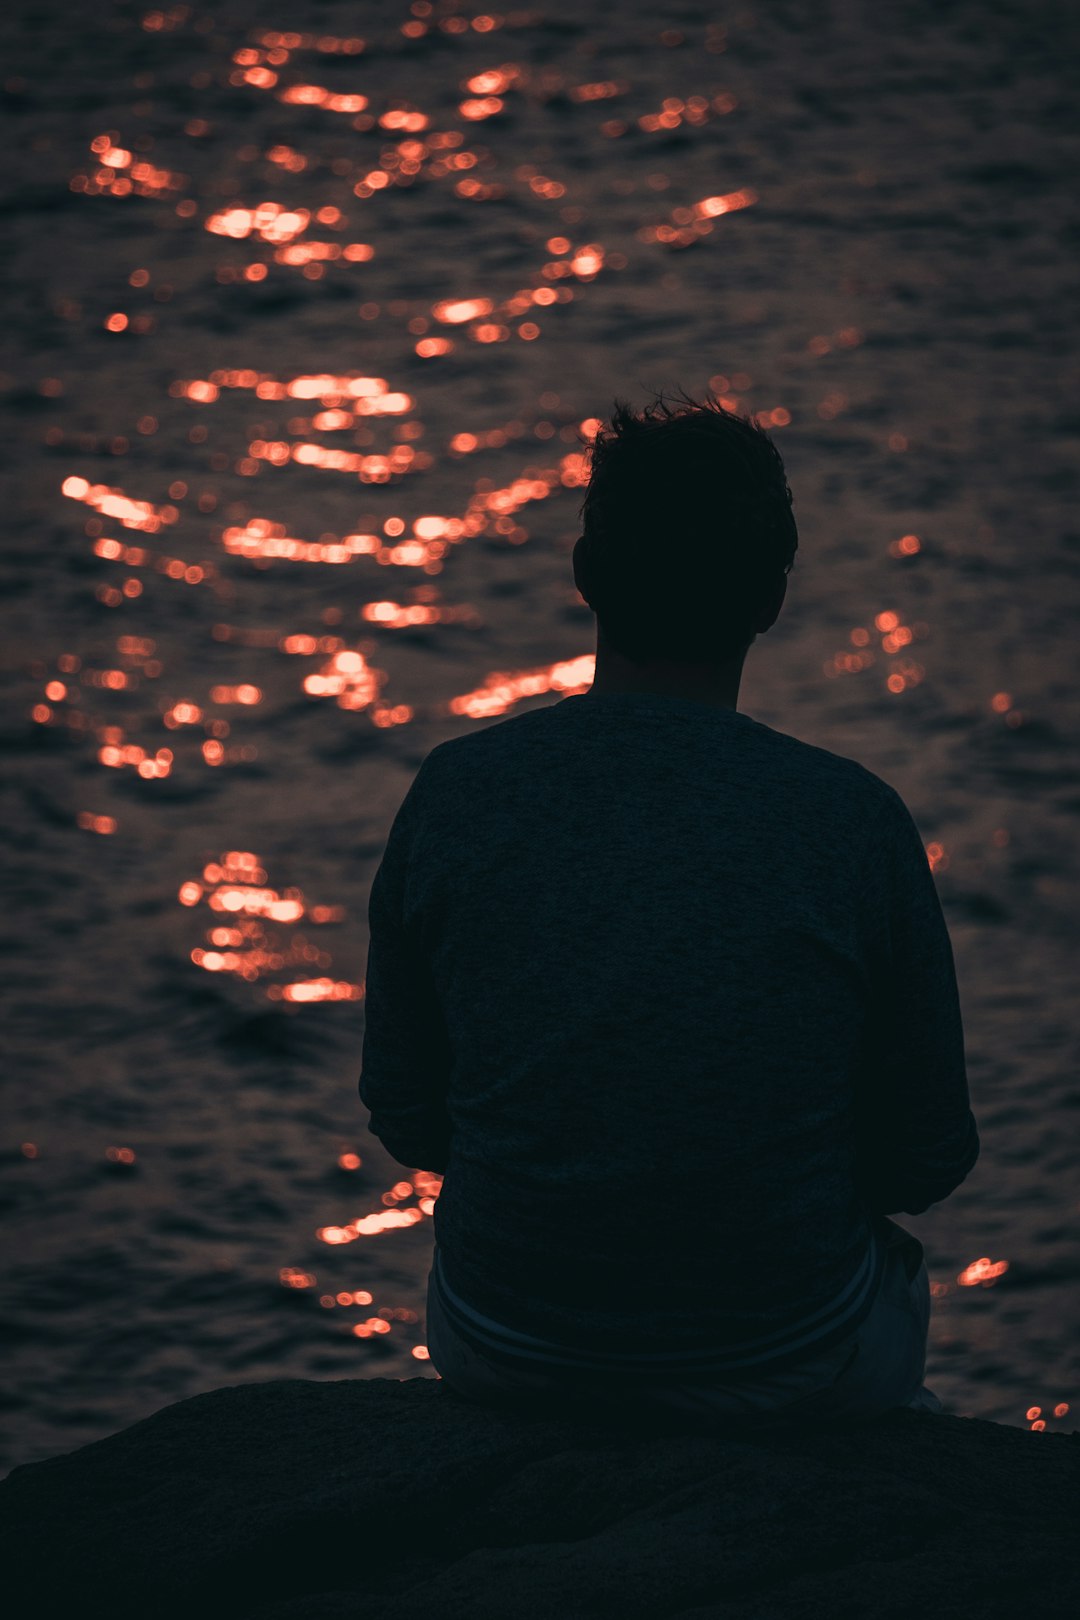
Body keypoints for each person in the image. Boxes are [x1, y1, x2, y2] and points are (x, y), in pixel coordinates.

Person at [358, 388, 979, 1431]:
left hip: (506, 1342)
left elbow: (407, 1115)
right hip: (785, 1351)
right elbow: (927, 1156)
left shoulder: (457, 793)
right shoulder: (853, 822)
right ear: (770, 598)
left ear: (586, 576)